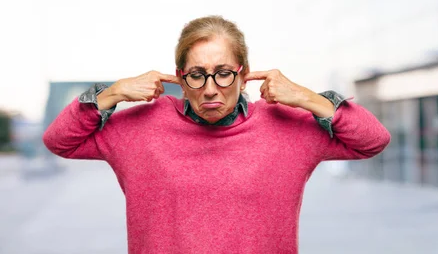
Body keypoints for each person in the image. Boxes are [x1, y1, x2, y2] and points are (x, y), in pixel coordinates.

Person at [43, 15, 390, 253]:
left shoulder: (287, 126)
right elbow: (60, 140)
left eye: (223, 73)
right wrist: (112, 94)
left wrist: (309, 98)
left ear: (244, 75)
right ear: (179, 77)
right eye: (196, 74)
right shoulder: (141, 127)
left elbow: (373, 140)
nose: (210, 89)